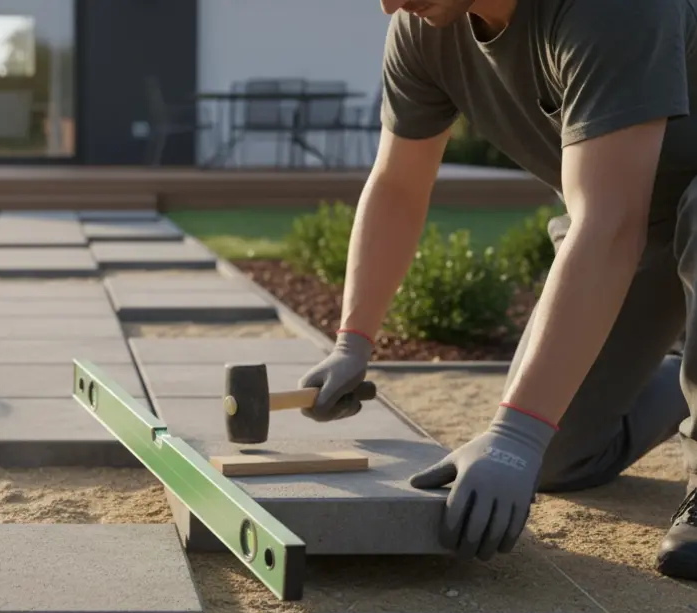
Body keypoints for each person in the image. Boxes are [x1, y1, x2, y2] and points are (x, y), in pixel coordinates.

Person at [298, 0, 697, 581]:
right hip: (635, 220)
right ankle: (685, 380)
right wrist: (352, 342)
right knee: (555, 455)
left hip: (636, 218)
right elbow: (398, 185)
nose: (388, 3)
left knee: (523, 435)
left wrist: (515, 432)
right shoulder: (421, 27)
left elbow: (609, 225)